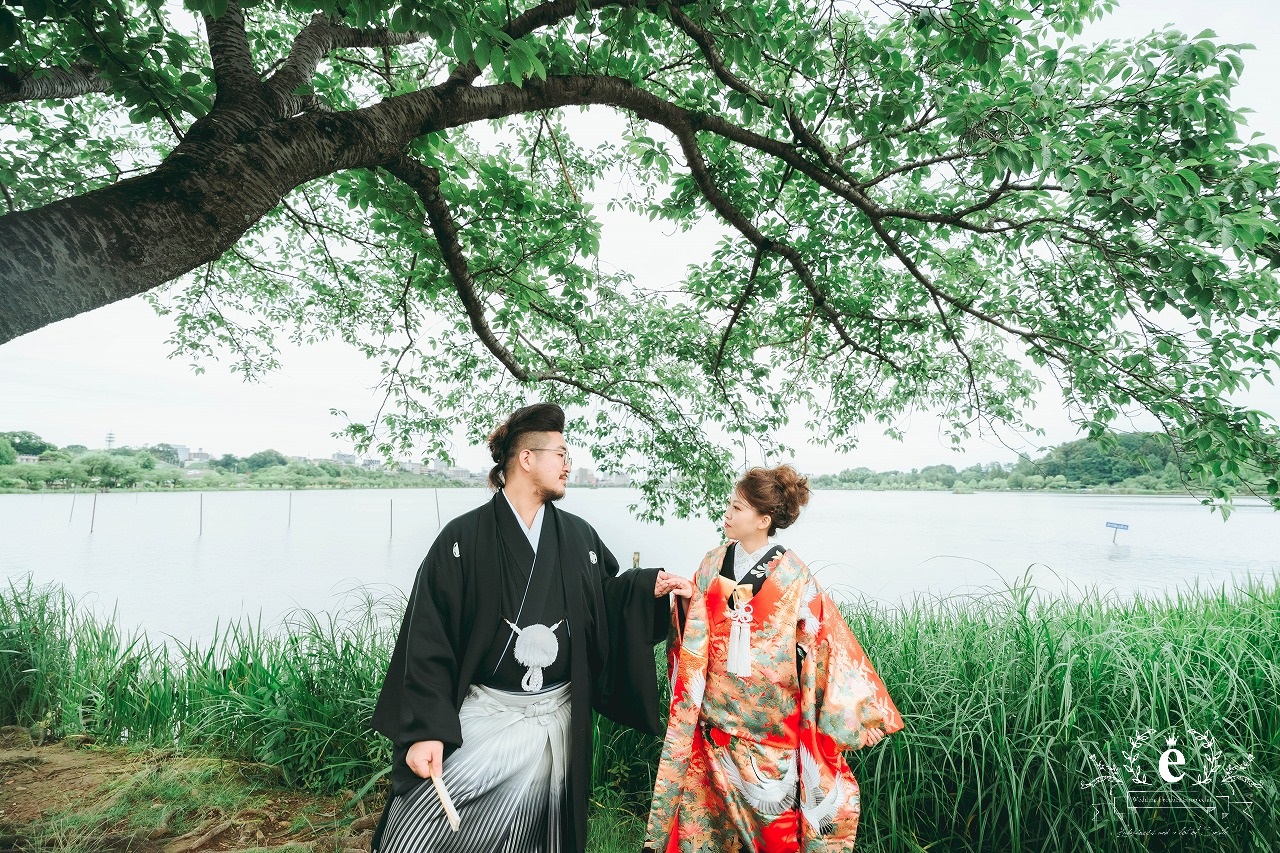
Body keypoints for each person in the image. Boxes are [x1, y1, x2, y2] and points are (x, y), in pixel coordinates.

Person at [370, 402, 692, 853]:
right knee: (419, 831)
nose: (569, 464)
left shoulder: (579, 537)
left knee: (541, 836)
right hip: (484, 720)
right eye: (560, 454)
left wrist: (645, 590)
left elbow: (601, 605)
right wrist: (425, 728)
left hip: (555, 721)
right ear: (526, 459)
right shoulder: (462, 540)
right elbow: (429, 638)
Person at [645, 464, 903, 852]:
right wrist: (688, 595)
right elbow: (704, 617)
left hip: (769, 727)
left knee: (775, 829)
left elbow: (821, 640)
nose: (727, 514)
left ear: (763, 520)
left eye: (737, 509)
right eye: (729, 506)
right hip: (715, 719)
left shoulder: (794, 575)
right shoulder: (713, 561)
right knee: (710, 824)